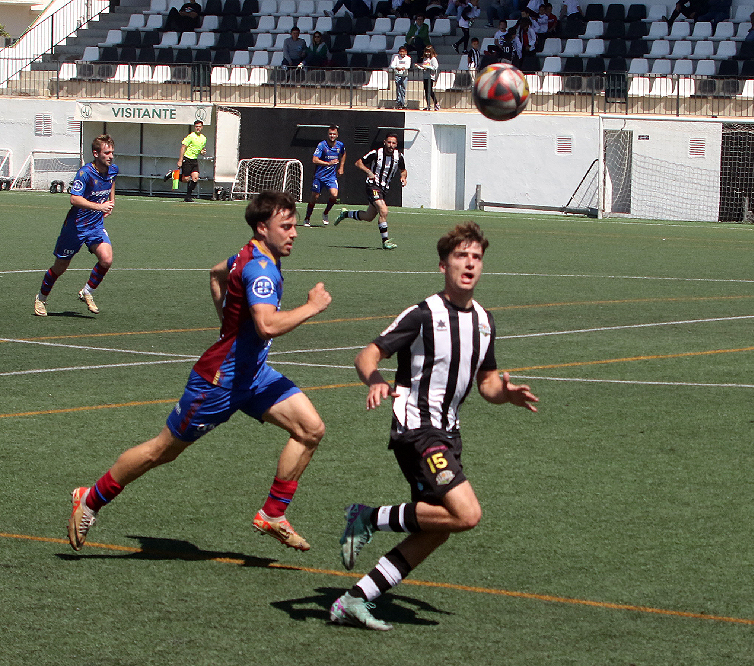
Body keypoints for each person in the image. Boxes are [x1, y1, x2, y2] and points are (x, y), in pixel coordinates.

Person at [67, 191, 332, 553]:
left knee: (310, 429)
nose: (294, 233)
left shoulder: (248, 254)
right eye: (285, 226)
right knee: (162, 451)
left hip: (253, 376)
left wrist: (227, 326)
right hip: (218, 383)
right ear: (262, 227)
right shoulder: (261, 270)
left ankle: (273, 514)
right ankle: (91, 498)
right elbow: (267, 325)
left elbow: (216, 274)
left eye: (294, 225)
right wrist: (312, 306)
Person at [328, 222, 539, 631]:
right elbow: (366, 356)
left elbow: (487, 383)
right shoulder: (423, 314)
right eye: (461, 256)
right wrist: (375, 380)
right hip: (417, 428)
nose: (470, 264)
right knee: (466, 514)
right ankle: (369, 517)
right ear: (443, 265)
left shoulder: (484, 320)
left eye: (476, 257)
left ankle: (353, 600)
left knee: (437, 528)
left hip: (448, 432)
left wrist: (505, 393)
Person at [33, 134, 117, 317]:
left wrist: (112, 201)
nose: (110, 156)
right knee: (60, 266)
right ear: (96, 153)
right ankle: (41, 298)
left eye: (112, 152)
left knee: (106, 259)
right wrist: (100, 206)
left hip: (95, 226)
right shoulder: (84, 173)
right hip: (76, 227)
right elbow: (74, 199)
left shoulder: (112, 170)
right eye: (106, 153)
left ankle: (87, 291)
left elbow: (111, 182)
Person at [334, 133, 406, 250]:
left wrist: (403, 177)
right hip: (373, 186)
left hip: (384, 189)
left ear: (396, 144)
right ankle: (385, 241)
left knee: (369, 216)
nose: (390, 145)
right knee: (383, 210)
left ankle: (346, 214)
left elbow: (403, 170)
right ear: (384, 142)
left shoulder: (399, 156)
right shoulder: (376, 153)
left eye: (393, 143)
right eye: (389, 142)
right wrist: (368, 172)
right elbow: (358, 162)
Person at [303, 126, 346, 227]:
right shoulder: (322, 145)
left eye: (334, 134)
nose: (332, 136)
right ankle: (307, 218)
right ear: (328, 134)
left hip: (331, 177)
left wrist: (341, 167)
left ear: (337, 135)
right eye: (330, 134)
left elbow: (344, 154)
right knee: (315, 197)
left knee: (334, 195)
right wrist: (328, 163)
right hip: (319, 176)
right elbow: (314, 159)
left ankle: (326, 213)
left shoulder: (340, 145)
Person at [173, 119, 208, 203]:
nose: (198, 128)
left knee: (195, 178)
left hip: (194, 160)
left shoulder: (203, 138)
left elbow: (201, 149)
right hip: (187, 159)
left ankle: (188, 196)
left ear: (202, 127)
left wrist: (202, 152)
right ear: (194, 127)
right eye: (196, 126)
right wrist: (180, 160)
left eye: (199, 126)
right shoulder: (191, 136)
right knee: (186, 179)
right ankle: (172, 175)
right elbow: (183, 147)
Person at [416, 45, 440, 111]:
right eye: (426, 51)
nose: (427, 53)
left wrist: (427, 67)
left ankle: (436, 103)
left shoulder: (433, 59)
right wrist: (419, 67)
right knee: (426, 91)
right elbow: (424, 67)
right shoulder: (425, 59)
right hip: (425, 76)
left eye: (428, 52)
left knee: (430, 90)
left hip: (430, 77)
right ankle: (428, 105)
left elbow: (435, 67)